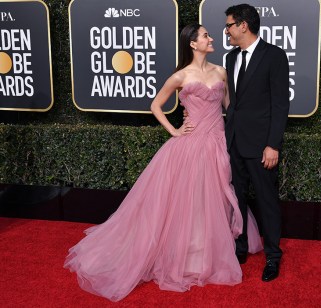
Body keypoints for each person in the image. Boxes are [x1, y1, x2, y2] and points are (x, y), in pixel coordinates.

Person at [64, 24, 262, 302]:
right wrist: (175, 130)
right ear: (193, 44)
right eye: (205, 35)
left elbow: (230, 107)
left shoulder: (221, 72)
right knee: (189, 199)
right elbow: (156, 105)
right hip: (190, 145)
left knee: (214, 198)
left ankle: (206, 253)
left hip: (218, 142)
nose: (211, 38)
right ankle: (188, 255)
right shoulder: (180, 76)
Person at [223, 4, 290, 282]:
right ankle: (239, 249)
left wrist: (273, 144)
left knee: (266, 201)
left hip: (262, 146)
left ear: (243, 25)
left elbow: (280, 103)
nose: (226, 31)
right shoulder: (230, 58)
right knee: (236, 201)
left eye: (229, 25)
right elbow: (232, 103)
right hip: (234, 142)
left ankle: (273, 256)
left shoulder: (274, 56)